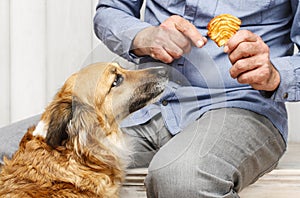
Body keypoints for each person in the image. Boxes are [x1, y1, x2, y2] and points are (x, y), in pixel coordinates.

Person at [93, 0, 299, 197]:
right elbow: (110, 10)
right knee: (68, 159)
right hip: (149, 106)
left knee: (181, 177)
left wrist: (274, 74)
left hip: (241, 104)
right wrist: (145, 36)